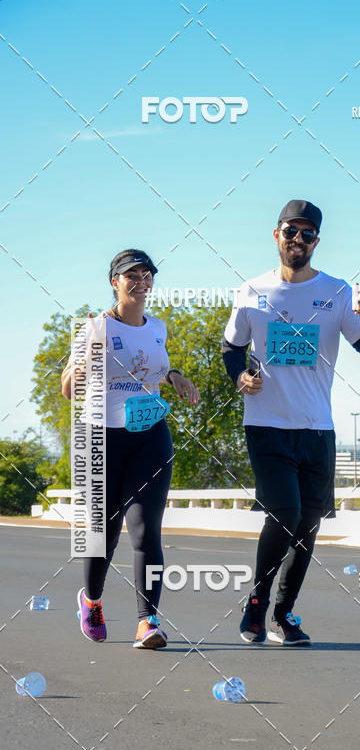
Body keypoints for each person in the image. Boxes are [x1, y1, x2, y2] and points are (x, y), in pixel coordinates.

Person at [222, 200, 360, 646]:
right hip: (267, 425)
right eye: (291, 231)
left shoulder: (337, 292)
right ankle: (256, 604)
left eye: (307, 234)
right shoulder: (252, 291)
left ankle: (283, 614)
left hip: (317, 429)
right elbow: (232, 348)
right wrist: (240, 376)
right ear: (276, 235)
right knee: (285, 513)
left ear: (316, 241)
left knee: (308, 524)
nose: (298, 239)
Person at [61, 249, 199, 649]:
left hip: (149, 434)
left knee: (145, 530)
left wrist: (174, 376)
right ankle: (91, 601)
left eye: (146, 275)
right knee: (102, 533)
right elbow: (69, 389)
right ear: (115, 282)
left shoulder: (158, 328)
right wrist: (88, 356)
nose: (141, 282)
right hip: (100, 437)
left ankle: (147, 622)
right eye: (131, 276)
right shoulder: (93, 327)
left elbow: (153, 368)